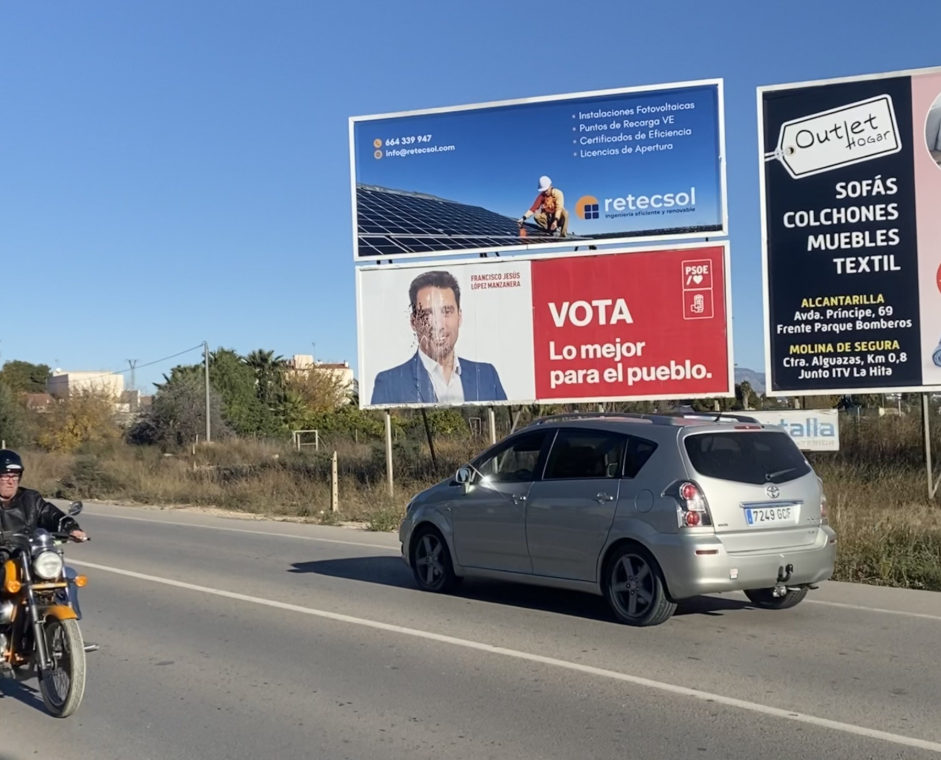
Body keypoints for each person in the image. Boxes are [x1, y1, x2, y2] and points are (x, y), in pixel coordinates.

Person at [370, 270, 507, 405]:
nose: (438, 325)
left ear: (459, 317)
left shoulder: (486, 376)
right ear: (413, 322)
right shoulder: (389, 384)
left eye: (446, 312)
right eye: (427, 314)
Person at [0, 449, 87, 583]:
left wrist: (71, 528)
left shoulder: (30, 499)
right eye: (5, 476)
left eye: (15, 475)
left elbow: (50, 514)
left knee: (69, 576)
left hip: (31, 558)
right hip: (3, 561)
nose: (11, 481)